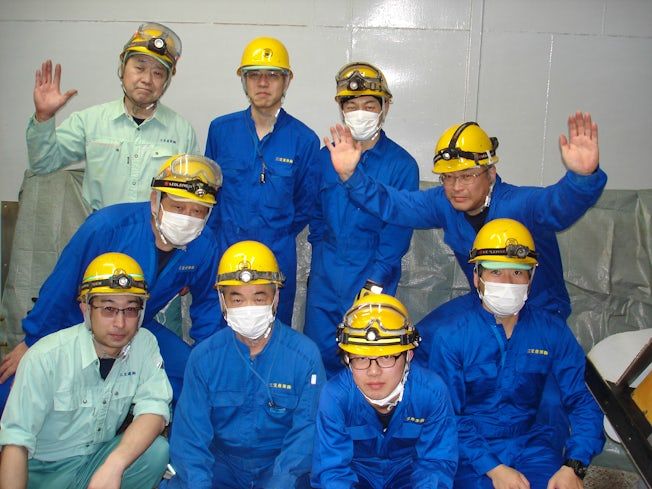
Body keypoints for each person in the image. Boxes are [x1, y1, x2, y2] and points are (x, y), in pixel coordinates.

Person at [326, 112, 606, 332]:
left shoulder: (518, 205)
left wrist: (582, 178)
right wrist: (352, 176)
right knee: (421, 342)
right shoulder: (443, 203)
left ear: (491, 173)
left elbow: (557, 205)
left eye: (467, 176)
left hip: (539, 313)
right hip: (483, 307)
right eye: (448, 177)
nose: (456, 187)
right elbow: (394, 204)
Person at [0, 154, 223, 405]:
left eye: (197, 211)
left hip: (138, 327)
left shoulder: (204, 245)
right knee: (15, 388)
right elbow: (61, 284)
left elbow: (209, 305)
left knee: (195, 375)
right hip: (76, 323)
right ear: (155, 199)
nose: (187, 218)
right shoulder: (108, 227)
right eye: (178, 207)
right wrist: (34, 340)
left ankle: (160, 423)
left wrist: (208, 356)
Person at [427, 218, 604, 489]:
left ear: (530, 279)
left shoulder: (551, 331)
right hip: (470, 452)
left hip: (534, 445)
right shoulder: (452, 337)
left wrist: (574, 465)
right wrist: (493, 468)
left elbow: (582, 399)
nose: (508, 282)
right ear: (476, 277)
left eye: (518, 273)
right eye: (496, 272)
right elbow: (446, 415)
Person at [0, 252, 172, 489]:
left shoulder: (144, 344)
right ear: (85, 308)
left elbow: (154, 409)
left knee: (156, 452)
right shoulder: (46, 357)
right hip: (43, 473)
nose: (120, 323)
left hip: (95, 464)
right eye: (108, 309)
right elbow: (15, 442)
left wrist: (115, 465)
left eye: (131, 310)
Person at [163, 241, 325, 489]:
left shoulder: (304, 357)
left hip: (279, 467)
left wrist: (280, 483)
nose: (248, 309)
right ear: (222, 301)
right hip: (221, 466)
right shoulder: (205, 357)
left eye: (259, 298)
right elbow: (190, 438)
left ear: (276, 297)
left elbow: (306, 435)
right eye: (237, 299)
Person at [304, 62, 419, 376]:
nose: (360, 113)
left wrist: (375, 281)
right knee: (319, 358)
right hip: (326, 277)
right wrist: (321, 261)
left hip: (371, 277)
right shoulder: (324, 158)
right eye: (352, 105)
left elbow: (397, 234)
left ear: (385, 108)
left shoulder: (402, 165)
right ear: (341, 109)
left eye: (370, 105)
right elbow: (316, 216)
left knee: (367, 361)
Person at [204, 36, 320, 325]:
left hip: (277, 256)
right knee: (222, 329)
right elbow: (210, 196)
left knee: (273, 330)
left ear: (287, 80)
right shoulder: (221, 130)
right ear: (244, 81)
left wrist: (274, 230)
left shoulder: (304, 139)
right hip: (226, 252)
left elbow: (306, 204)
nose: (263, 83)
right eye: (254, 75)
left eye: (273, 75)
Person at [27, 22, 197, 211]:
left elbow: (189, 200)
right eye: (139, 68)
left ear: (166, 81)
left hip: (153, 229)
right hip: (102, 227)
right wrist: (43, 117)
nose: (147, 79)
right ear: (122, 68)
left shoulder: (183, 132)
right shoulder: (90, 121)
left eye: (157, 73)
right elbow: (42, 164)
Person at [311, 293, 458, 489]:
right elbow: (332, 470)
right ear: (347, 359)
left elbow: (435, 464)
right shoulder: (335, 396)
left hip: (408, 475)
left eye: (387, 357)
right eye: (361, 358)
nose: (373, 371)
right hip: (356, 476)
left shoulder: (431, 392)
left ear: (408, 356)